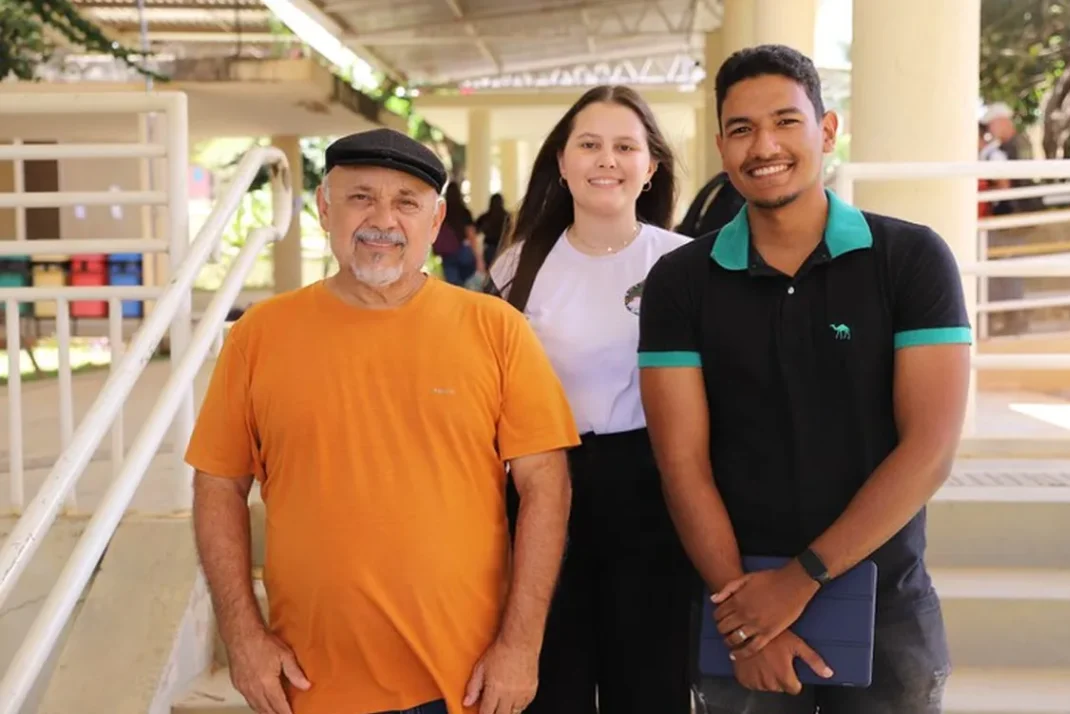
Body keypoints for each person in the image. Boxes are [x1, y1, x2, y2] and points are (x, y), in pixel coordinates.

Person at [186, 127, 581, 714]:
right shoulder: (259, 336)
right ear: (324, 207)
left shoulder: (495, 329)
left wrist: (520, 646)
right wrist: (242, 637)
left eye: (406, 202)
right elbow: (218, 484)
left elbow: (546, 487)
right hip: (311, 683)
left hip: (462, 682)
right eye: (360, 197)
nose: (382, 219)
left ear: (436, 218)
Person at [637, 45, 971, 714]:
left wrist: (800, 579)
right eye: (741, 129)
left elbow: (928, 450)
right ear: (721, 146)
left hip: (886, 607)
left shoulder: (910, 259)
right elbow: (682, 463)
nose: (764, 145)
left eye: (786, 121)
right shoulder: (681, 283)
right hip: (738, 606)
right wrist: (745, 614)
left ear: (826, 130)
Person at [486, 84, 694, 714]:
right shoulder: (516, 268)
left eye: (625, 146)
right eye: (590, 144)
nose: (608, 159)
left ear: (650, 166)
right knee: (554, 680)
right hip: (544, 485)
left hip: (653, 487)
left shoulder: (685, 265)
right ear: (562, 161)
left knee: (650, 683)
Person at [436, 181, 484, 285]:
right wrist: (479, 259)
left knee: (452, 286)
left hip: (447, 254)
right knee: (466, 286)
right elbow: (471, 236)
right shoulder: (464, 212)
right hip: (464, 252)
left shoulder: (443, 213)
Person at [476, 192, 513, 266]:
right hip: (503, 247)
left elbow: (477, 230)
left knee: (490, 270)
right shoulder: (507, 216)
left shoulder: (486, 217)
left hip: (489, 247)